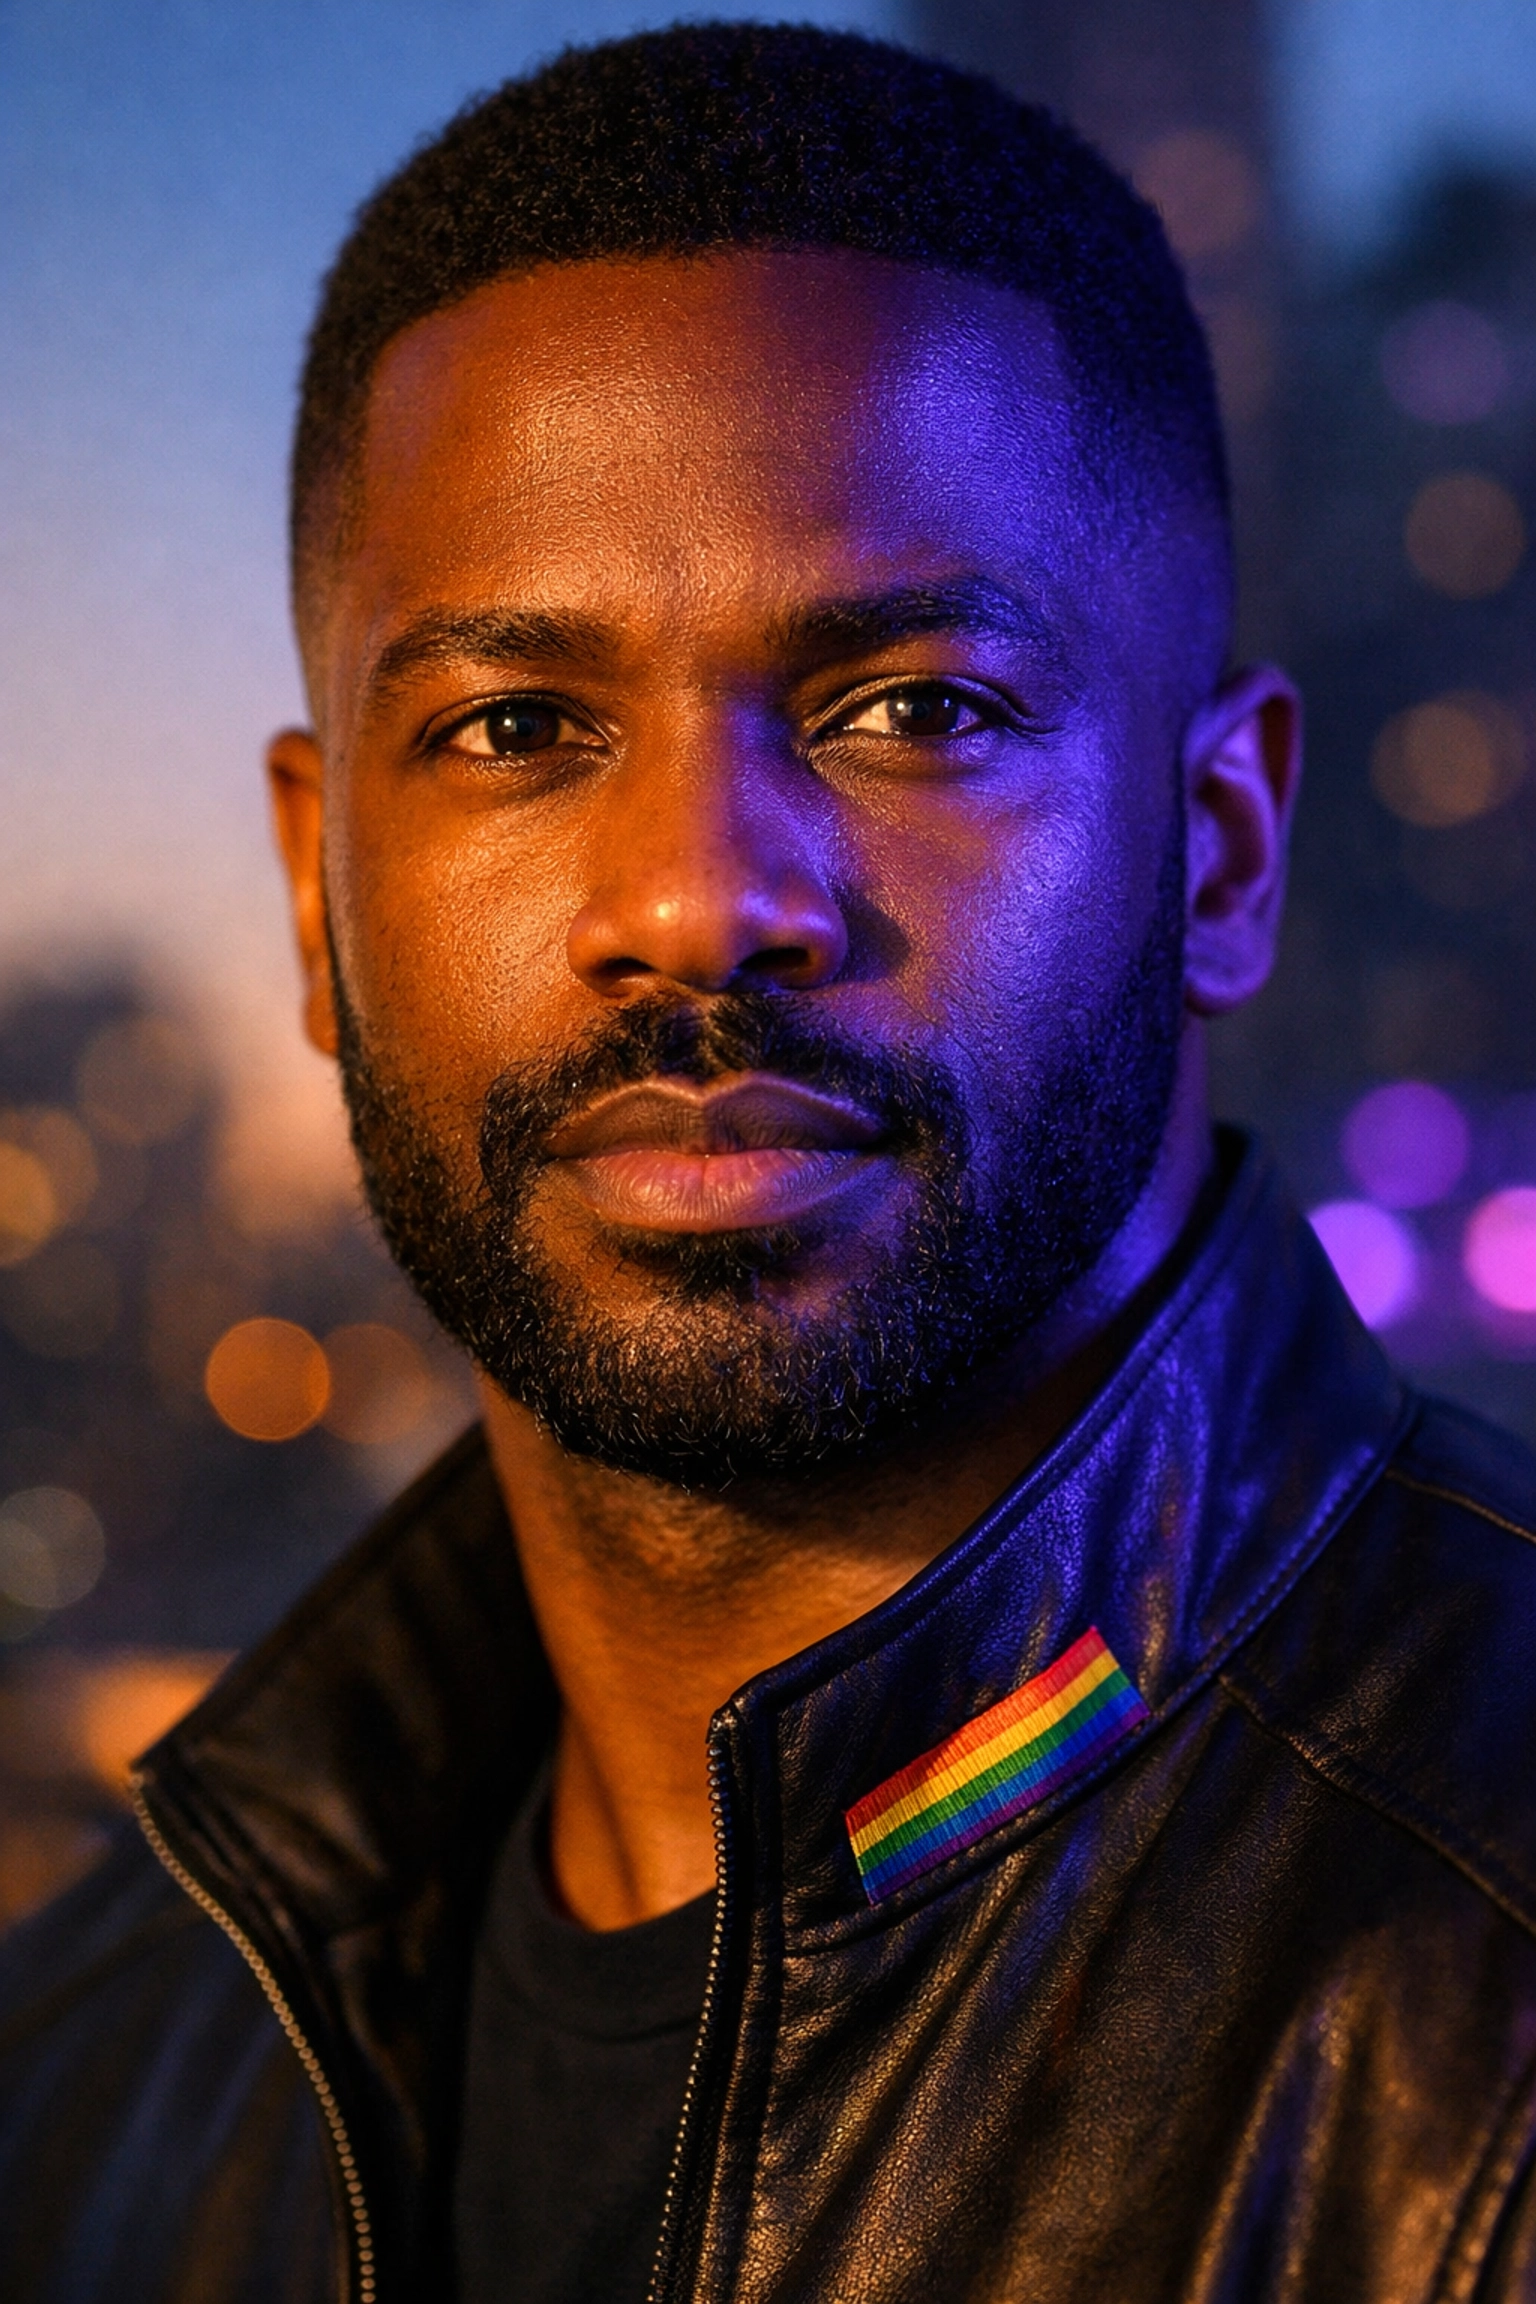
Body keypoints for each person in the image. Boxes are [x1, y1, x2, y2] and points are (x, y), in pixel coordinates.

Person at [5, 21, 1536, 2302]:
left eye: (913, 706)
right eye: (518, 727)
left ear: (1220, 852)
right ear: (324, 893)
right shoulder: (101, 2052)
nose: (700, 899)